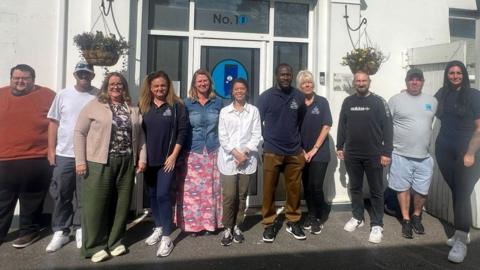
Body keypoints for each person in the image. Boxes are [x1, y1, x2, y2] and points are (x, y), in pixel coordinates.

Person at [74, 72, 146, 263]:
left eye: (120, 84)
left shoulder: (131, 107)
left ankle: (115, 241)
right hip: (99, 162)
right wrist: (80, 161)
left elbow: (141, 135)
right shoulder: (94, 106)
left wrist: (142, 158)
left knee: (121, 204)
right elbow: (79, 132)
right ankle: (94, 246)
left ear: (124, 87)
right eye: (112, 84)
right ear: (106, 86)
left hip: (126, 161)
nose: (116, 87)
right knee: (95, 205)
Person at [0, 64, 55, 248]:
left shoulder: (47, 95)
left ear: (33, 79)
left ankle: (28, 232)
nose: (20, 81)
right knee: (3, 199)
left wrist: (52, 151)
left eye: (25, 78)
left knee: (31, 199)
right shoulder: (1, 95)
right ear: (11, 79)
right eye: (16, 78)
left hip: (36, 158)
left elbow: (57, 124)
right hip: (4, 159)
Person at [45, 61, 98, 252]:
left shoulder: (98, 95)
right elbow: (53, 123)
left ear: (93, 75)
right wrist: (51, 150)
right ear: (75, 75)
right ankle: (61, 230)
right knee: (62, 193)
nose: (84, 76)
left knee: (84, 195)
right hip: (64, 153)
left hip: (89, 154)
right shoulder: (63, 95)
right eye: (80, 73)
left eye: (87, 73)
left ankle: (80, 228)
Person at [336, 71, 393, 244]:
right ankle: (357, 217)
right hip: (352, 153)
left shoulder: (378, 102)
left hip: (374, 154)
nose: (361, 83)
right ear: (354, 83)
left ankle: (377, 224)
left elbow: (388, 128)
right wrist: (339, 146)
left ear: (369, 82)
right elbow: (342, 125)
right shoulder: (348, 101)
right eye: (358, 81)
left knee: (376, 190)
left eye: (364, 80)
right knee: (355, 188)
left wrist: (386, 152)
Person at [434, 60, 480, 263]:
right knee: (457, 191)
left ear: (464, 74)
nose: (455, 76)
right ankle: (463, 233)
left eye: (458, 72)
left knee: (462, 193)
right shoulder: (442, 94)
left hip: (468, 151)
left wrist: (470, 152)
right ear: (447, 75)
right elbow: (427, 106)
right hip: (444, 151)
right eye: (451, 73)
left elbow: (479, 128)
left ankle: (461, 240)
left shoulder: (473, 95)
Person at [139, 71, 187, 257]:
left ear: (168, 87)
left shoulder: (176, 106)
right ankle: (158, 227)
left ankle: (167, 237)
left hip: (168, 160)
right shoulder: (144, 106)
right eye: (156, 86)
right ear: (150, 88)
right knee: (151, 195)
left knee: (163, 195)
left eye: (163, 85)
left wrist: (174, 156)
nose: (160, 89)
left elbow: (182, 132)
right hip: (149, 160)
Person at [258, 63, 307, 242]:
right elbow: (258, 123)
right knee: (269, 190)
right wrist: (267, 140)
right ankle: (269, 224)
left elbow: (301, 122)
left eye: (288, 74)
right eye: (282, 74)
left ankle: (293, 221)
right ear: (276, 76)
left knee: (294, 190)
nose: (286, 77)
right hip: (272, 150)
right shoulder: (265, 97)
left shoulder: (299, 97)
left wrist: (301, 146)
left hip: (294, 150)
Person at [387, 68, 437, 239]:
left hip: (424, 156)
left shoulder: (432, 101)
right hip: (400, 154)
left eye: (418, 79)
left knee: (422, 190)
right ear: (406, 81)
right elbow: (386, 127)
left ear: (422, 81)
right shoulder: (395, 100)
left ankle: (417, 215)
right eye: (411, 79)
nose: (414, 82)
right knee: (403, 188)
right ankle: (406, 220)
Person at [176, 69, 223, 236]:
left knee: (211, 190)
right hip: (193, 152)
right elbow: (181, 129)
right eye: (199, 81)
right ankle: (194, 225)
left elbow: (223, 128)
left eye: (206, 81)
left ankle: (211, 224)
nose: (203, 84)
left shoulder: (218, 103)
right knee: (192, 192)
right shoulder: (186, 103)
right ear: (194, 84)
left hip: (213, 151)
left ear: (210, 83)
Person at [217, 78, 262, 246]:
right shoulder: (224, 112)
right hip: (229, 160)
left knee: (242, 196)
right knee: (229, 195)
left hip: (247, 159)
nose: (239, 91)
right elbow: (223, 136)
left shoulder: (254, 111)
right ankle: (227, 227)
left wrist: (244, 153)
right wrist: (236, 153)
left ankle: (237, 226)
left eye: (242, 88)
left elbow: (256, 134)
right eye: (236, 89)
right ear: (232, 91)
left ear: (247, 91)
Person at [297, 70, 332, 235]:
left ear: (313, 84)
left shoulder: (322, 102)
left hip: (320, 152)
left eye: (309, 82)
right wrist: (303, 150)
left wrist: (314, 149)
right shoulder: (297, 103)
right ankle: (311, 215)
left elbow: (326, 126)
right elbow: (293, 127)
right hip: (302, 152)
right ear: (300, 86)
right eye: (304, 83)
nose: (307, 85)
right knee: (307, 187)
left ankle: (319, 216)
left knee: (316, 186)